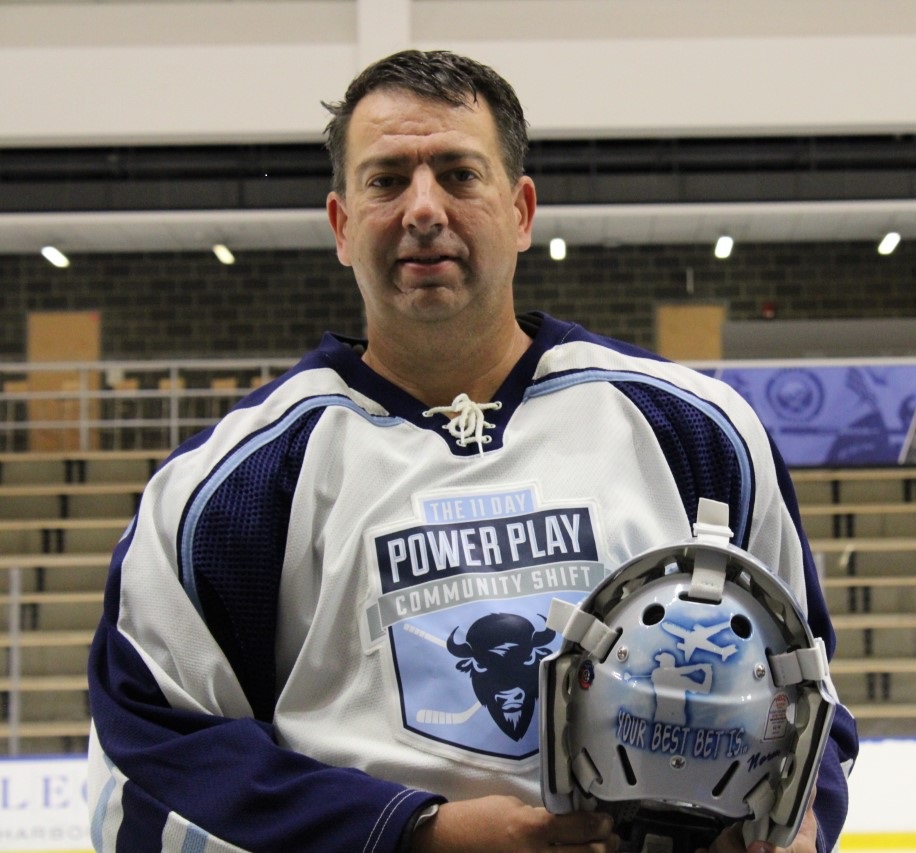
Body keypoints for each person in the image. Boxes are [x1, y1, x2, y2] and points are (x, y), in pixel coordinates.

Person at [86, 49, 859, 853]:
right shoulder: (228, 490)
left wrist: (796, 823)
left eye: (458, 173)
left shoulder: (697, 433)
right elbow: (148, 766)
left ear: (522, 211)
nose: (424, 208)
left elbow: (806, 694)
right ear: (342, 225)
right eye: (387, 180)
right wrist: (415, 835)